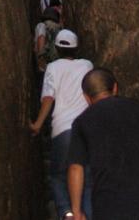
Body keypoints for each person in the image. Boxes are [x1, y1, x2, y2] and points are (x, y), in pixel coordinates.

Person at [67, 68, 139, 220]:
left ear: (86, 97)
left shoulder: (82, 122)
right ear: (115, 88)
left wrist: (76, 211)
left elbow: (76, 168)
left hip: (108, 208)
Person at [29, 30, 93, 220]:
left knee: (58, 176)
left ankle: (67, 213)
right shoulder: (87, 65)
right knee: (88, 179)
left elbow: (49, 97)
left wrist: (38, 125)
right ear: (76, 48)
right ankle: (87, 215)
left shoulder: (53, 67)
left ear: (56, 48)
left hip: (63, 130)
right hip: (86, 130)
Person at [34, 6, 61, 71]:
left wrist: (41, 55)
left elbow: (41, 36)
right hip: (57, 61)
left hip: (46, 61)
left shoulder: (41, 25)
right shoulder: (59, 28)